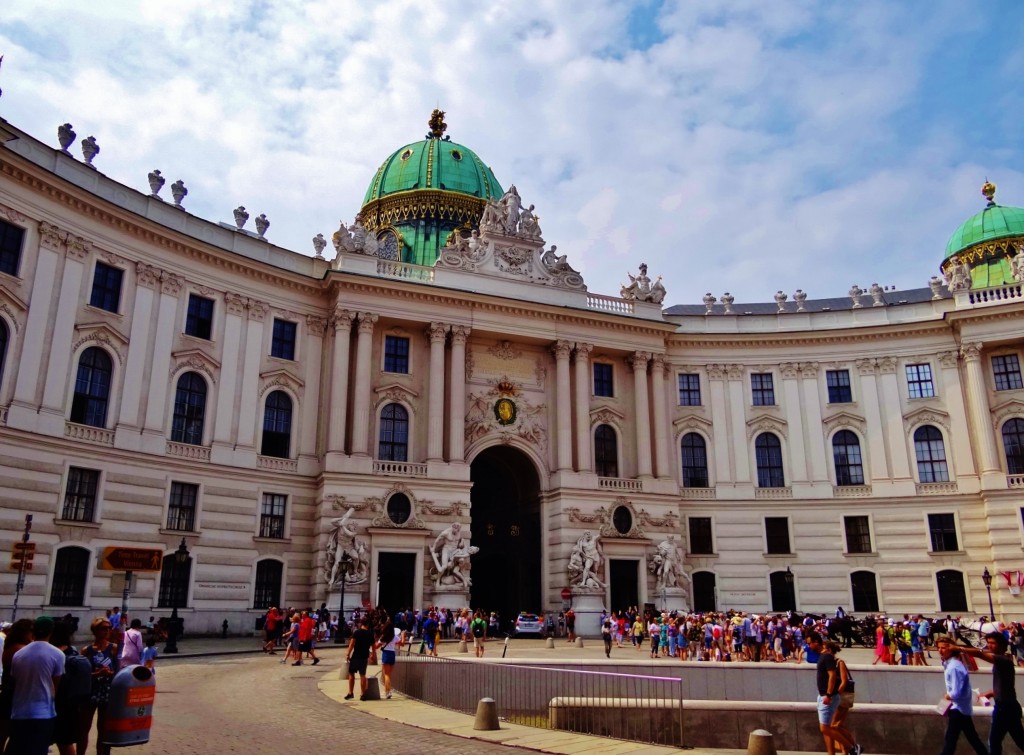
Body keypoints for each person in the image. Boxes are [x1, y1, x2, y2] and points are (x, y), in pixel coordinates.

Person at [8, 616, 66, 755]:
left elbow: (15, 679)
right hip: (43, 713)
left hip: (19, 712)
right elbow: (55, 684)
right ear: (51, 632)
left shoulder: (19, 654)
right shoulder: (57, 654)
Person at [960, 631, 1024, 755]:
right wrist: (991, 693)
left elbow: (980, 654)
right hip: (1008, 706)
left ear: (1001, 645)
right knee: (1019, 739)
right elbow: (1005, 685)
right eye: (988, 643)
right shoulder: (1004, 659)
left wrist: (957, 647)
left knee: (994, 741)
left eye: (993, 643)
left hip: (1005, 708)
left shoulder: (1002, 659)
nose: (990, 645)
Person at [806, 631, 860, 755]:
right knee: (828, 728)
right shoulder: (823, 657)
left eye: (809, 643)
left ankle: (852, 748)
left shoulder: (829, 658)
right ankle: (838, 751)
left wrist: (830, 694)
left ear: (816, 642)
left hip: (830, 697)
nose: (808, 646)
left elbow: (834, 677)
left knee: (829, 727)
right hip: (825, 696)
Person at [936, 637, 988, 755]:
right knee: (972, 739)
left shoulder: (954, 667)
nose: (940, 650)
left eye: (943, 648)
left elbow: (956, 693)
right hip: (961, 709)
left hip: (958, 709)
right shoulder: (951, 664)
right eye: (938, 648)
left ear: (951, 649)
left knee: (950, 741)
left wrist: (947, 696)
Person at [79, 616, 119, 755]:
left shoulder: (113, 648)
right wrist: (97, 674)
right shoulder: (86, 650)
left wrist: (110, 673)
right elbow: (82, 675)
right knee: (84, 728)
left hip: (107, 691)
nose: (107, 631)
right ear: (95, 630)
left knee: (103, 729)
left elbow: (118, 672)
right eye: (104, 628)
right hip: (90, 691)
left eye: (109, 628)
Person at [0, 618, 33, 752]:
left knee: (3, 735)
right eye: (31, 632)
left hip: (9, 694)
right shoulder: (21, 649)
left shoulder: (11, 646)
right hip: (15, 696)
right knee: (15, 737)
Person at [344, 617, 374, 701]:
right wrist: (373, 655)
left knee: (351, 674)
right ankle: (362, 694)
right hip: (364, 656)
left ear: (361, 623)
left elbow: (352, 643)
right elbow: (373, 646)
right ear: (368, 624)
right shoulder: (370, 634)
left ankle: (350, 693)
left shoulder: (356, 632)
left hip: (356, 656)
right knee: (362, 675)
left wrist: (348, 654)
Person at [378, 616, 401, 699]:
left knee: (386, 674)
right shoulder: (395, 637)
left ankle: (389, 691)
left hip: (386, 654)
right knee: (388, 674)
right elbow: (401, 643)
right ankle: (386, 690)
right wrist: (404, 636)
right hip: (392, 654)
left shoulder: (384, 637)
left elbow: (377, 646)